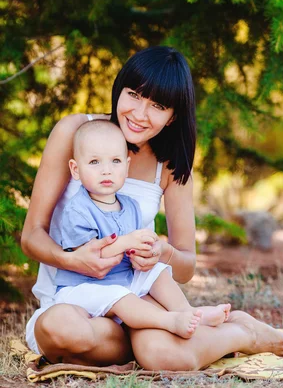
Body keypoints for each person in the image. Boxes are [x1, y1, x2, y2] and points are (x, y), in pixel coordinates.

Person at [22, 45, 283, 369]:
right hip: (77, 301)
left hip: (140, 298)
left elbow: (186, 267)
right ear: (119, 88)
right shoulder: (77, 132)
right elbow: (32, 235)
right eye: (134, 94)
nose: (139, 113)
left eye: (157, 105)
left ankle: (242, 334)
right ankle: (163, 341)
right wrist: (71, 259)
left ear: (173, 115)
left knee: (163, 355)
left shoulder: (171, 167)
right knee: (63, 329)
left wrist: (161, 253)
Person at [54, 119, 231, 338]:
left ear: (126, 167)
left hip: (123, 279)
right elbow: (90, 257)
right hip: (84, 288)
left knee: (157, 272)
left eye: (115, 161)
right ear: (76, 169)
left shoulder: (130, 206)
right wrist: (127, 242)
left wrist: (143, 253)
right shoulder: (78, 210)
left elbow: (134, 251)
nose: (106, 171)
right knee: (120, 296)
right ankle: (169, 321)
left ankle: (188, 312)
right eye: (94, 162)